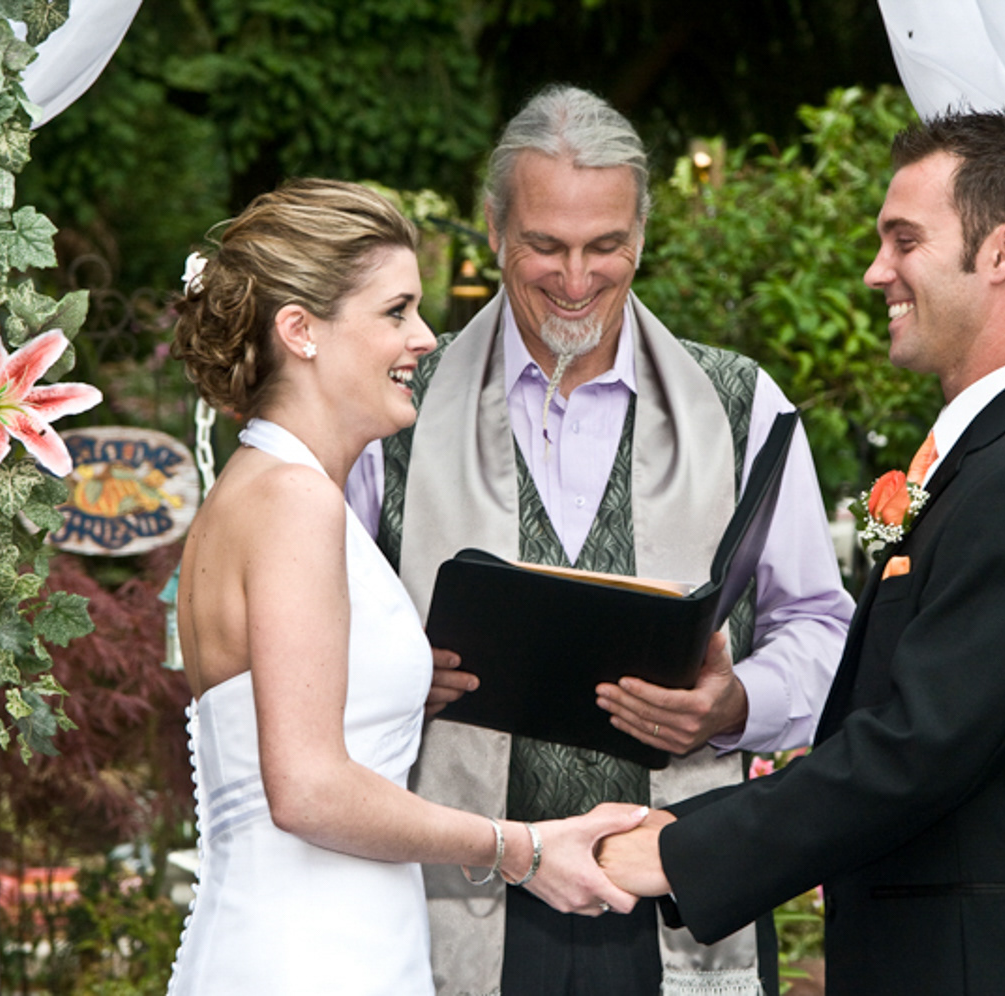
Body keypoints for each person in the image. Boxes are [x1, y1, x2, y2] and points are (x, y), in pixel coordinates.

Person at [600, 108, 1005, 994]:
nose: (876, 272)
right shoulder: (1000, 462)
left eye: (904, 241)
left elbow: (917, 748)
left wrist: (679, 849)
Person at [345, 85, 854, 996]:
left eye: (605, 247)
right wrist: (395, 684)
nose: (576, 279)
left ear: (643, 236)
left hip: (680, 897)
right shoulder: (392, 414)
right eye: (545, 245)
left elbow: (822, 624)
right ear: (494, 230)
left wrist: (734, 705)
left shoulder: (743, 407)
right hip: (461, 901)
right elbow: (320, 652)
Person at [165, 179, 647, 996]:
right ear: (301, 332)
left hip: (317, 943)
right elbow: (310, 789)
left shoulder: (263, 488)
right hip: (313, 960)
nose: (424, 338)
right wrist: (519, 848)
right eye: (396, 312)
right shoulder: (292, 500)